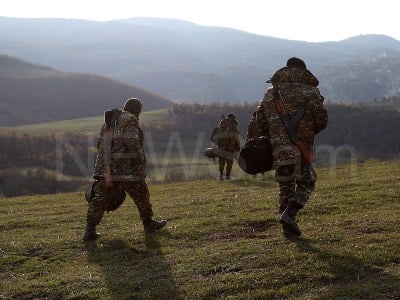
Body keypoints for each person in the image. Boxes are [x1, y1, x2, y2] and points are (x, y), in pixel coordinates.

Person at [256, 57, 328, 238]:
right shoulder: (311, 92)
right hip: (302, 145)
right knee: (307, 181)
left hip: (278, 148)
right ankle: (290, 214)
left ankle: (287, 229)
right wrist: (305, 134)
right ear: (304, 72)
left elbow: (261, 122)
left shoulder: (270, 93)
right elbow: (321, 121)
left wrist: (277, 135)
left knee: (285, 186)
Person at [83, 97, 167, 242]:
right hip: (125, 170)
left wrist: (105, 166)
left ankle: (89, 231)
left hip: (106, 169)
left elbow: (99, 145)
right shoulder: (130, 119)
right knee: (141, 194)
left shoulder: (109, 122)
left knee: (99, 199)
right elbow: (133, 142)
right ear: (138, 111)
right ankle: (148, 223)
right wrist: (141, 161)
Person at [210, 114, 241, 181]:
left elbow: (215, 137)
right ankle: (227, 176)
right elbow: (237, 137)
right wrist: (238, 147)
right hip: (231, 148)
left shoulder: (222, 123)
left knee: (221, 162)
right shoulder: (233, 125)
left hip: (221, 147)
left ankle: (221, 176)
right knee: (229, 162)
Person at [245, 111, 265, 180]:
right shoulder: (262, 122)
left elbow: (249, 133)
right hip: (261, 142)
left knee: (254, 158)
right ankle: (263, 173)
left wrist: (247, 142)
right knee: (262, 157)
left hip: (253, 142)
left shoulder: (251, 122)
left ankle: (254, 173)